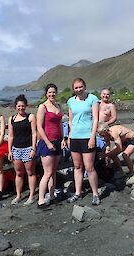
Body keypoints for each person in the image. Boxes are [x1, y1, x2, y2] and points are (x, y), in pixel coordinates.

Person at [67, 78, 100, 206]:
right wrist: (69, 136)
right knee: (77, 166)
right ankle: (77, 193)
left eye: (80, 87)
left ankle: (95, 194)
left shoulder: (92, 99)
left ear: (85, 86)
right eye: (76, 88)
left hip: (87, 136)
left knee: (89, 167)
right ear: (73, 89)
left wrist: (93, 137)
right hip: (75, 137)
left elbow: (96, 119)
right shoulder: (70, 101)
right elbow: (70, 120)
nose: (79, 89)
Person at [36, 84, 65, 208]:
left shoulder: (58, 106)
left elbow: (60, 125)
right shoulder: (42, 107)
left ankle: (52, 196)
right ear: (46, 93)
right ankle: (41, 199)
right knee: (47, 172)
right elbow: (39, 126)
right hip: (46, 142)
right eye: (49, 92)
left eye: (54, 92)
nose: (52, 94)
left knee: (53, 171)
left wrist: (63, 139)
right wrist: (47, 142)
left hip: (58, 141)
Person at [8, 95, 37, 205]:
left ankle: (31, 196)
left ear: (26, 106)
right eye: (19, 106)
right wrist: (10, 150)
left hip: (28, 148)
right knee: (19, 173)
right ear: (16, 107)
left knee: (30, 173)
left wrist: (33, 148)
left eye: (23, 106)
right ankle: (18, 195)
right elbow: (10, 136)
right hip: (16, 149)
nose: (21, 108)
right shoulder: (12, 119)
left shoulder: (30, 117)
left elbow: (34, 133)